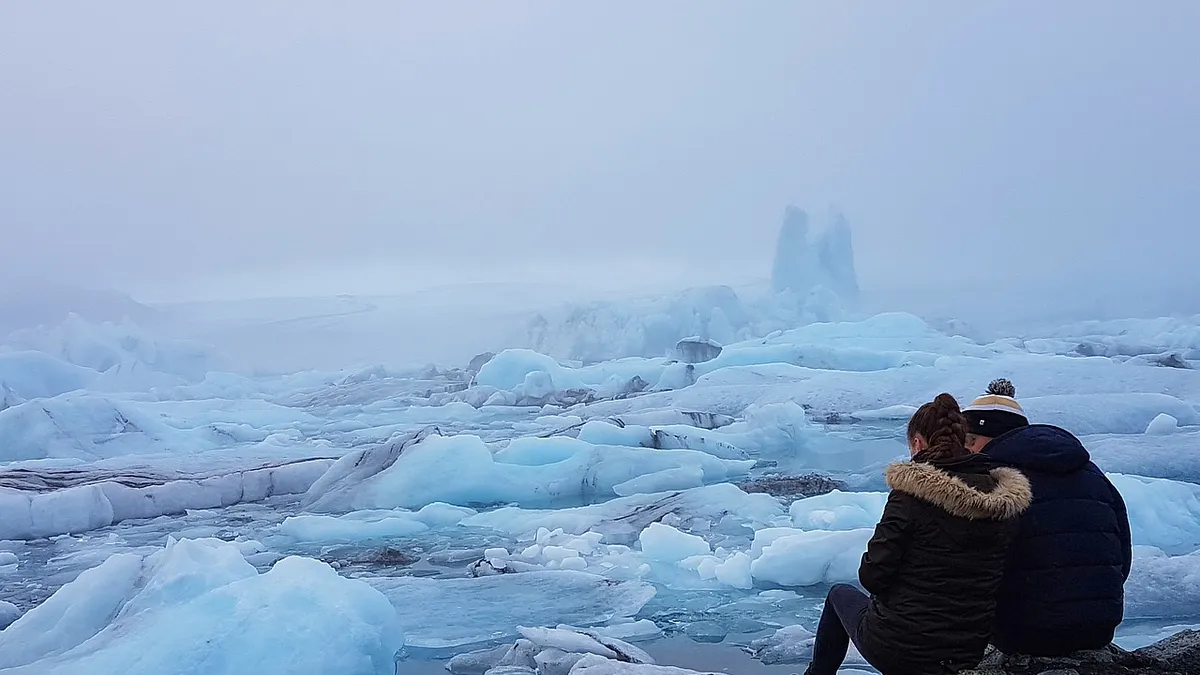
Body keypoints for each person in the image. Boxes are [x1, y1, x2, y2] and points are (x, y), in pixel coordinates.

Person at [804, 393, 1033, 675]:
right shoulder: (1004, 499)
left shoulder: (910, 496)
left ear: (917, 443)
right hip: (967, 649)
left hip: (903, 647)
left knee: (839, 595)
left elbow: (873, 575)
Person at [962, 378, 1133, 656]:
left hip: (1022, 633)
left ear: (991, 437)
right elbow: (1122, 556)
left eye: (970, 440)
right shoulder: (1093, 474)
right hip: (1099, 627)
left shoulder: (993, 481)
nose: (966, 449)